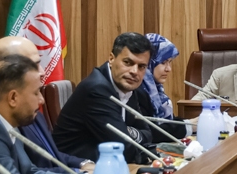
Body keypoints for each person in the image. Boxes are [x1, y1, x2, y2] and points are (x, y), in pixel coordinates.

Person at [54, 32, 180, 162]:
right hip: (74, 166)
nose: (134, 72)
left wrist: (128, 132)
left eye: (141, 66)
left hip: (108, 161)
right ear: (111, 59)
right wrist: (135, 140)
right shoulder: (97, 89)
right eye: (127, 62)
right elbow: (122, 148)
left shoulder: (127, 84)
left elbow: (147, 133)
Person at [0, 37, 90, 174]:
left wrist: (83, 164)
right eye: (34, 65)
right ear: (9, 68)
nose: (42, 71)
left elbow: (52, 155)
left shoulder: (30, 103)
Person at [143, 33, 180, 119]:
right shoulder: (138, 93)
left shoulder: (157, 91)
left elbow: (171, 124)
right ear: (148, 62)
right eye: (163, 62)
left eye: (169, 62)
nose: (168, 69)